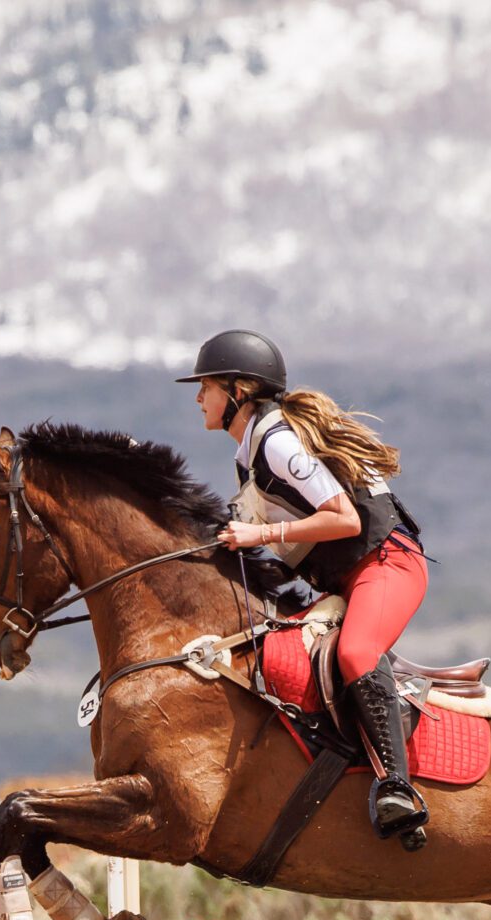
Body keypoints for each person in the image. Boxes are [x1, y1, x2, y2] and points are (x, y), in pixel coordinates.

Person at [178, 329, 431, 848]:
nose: (198, 397)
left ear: (238, 390)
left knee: (357, 651)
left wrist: (264, 533)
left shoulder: (277, 443)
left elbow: (342, 519)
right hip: (346, 578)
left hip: (387, 564)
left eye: (206, 386)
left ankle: (398, 786)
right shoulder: (250, 452)